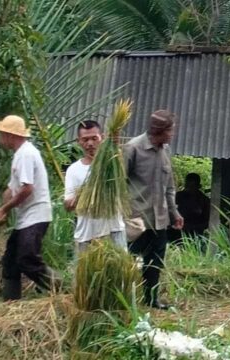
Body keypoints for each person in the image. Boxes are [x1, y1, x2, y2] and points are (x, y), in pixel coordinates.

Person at [0, 115, 55, 301]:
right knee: (10, 261)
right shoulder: (20, 154)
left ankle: (62, 289)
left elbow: (27, 189)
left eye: (1, 133)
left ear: (10, 135)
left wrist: (5, 210)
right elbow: (11, 189)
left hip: (35, 215)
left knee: (27, 259)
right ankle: (11, 303)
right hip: (26, 217)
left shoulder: (26, 154)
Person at [124, 109, 184, 310]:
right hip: (136, 218)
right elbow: (118, 183)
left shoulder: (165, 151)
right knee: (128, 260)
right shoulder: (133, 148)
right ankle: (125, 298)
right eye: (171, 130)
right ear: (160, 131)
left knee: (155, 261)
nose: (172, 134)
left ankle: (151, 299)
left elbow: (169, 187)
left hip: (160, 218)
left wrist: (174, 213)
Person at [63, 120, 126, 260]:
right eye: (85, 139)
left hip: (113, 232)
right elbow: (68, 205)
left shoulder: (113, 162)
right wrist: (87, 191)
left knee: (118, 280)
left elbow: (119, 153)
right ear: (78, 141)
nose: (90, 143)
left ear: (102, 138)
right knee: (85, 281)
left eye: (94, 138)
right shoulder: (73, 170)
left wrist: (115, 142)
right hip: (86, 236)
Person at [172, 173, 210, 244]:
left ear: (198, 186)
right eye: (187, 186)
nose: (189, 189)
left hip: (195, 232)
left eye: (192, 186)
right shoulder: (178, 196)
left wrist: (193, 227)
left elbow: (208, 221)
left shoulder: (204, 200)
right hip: (177, 231)